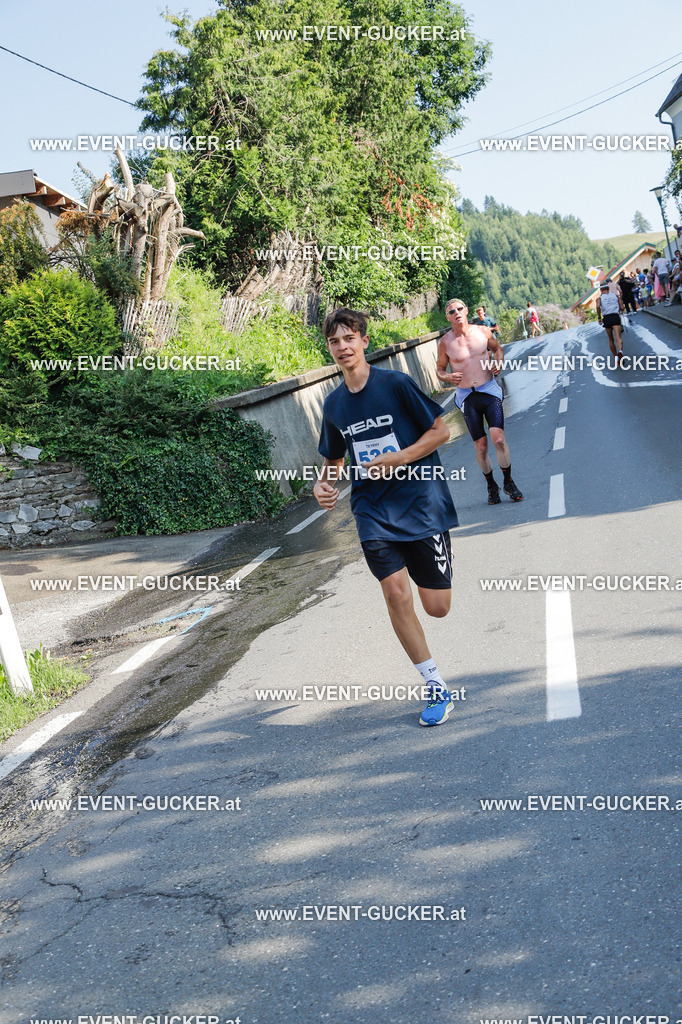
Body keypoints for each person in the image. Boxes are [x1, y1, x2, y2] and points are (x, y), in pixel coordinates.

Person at [313, 307, 460, 728]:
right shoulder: (334, 404)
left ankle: (437, 562)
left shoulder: (395, 385)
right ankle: (435, 686)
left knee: (437, 607)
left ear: (364, 341)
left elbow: (441, 431)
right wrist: (322, 486)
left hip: (421, 503)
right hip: (372, 509)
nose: (342, 347)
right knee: (395, 593)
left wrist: (401, 457)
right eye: (334, 341)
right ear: (329, 349)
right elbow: (334, 460)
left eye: (349, 338)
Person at [437, 297, 523, 505]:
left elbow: (498, 349)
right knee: (481, 446)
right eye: (451, 311)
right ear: (448, 317)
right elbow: (439, 370)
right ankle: (491, 485)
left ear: (466, 310)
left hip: (488, 390)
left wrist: (498, 363)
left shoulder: (483, 331)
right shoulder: (445, 342)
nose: (456, 313)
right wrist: (448, 377)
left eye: (459, 308)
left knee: (498, 439)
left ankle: (508, 482)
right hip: (467, 396)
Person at [596, 280, 624, 363]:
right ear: (608, 288)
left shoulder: (599, 298)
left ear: (601, 290)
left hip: (607, 318)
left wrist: (599, 317)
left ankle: (616, 357)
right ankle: (620, 351)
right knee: (618, 337)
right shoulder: (615, 296)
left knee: (610, 339)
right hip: (615, 316)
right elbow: (622, 307)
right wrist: (620, 308)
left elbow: (597, 306)